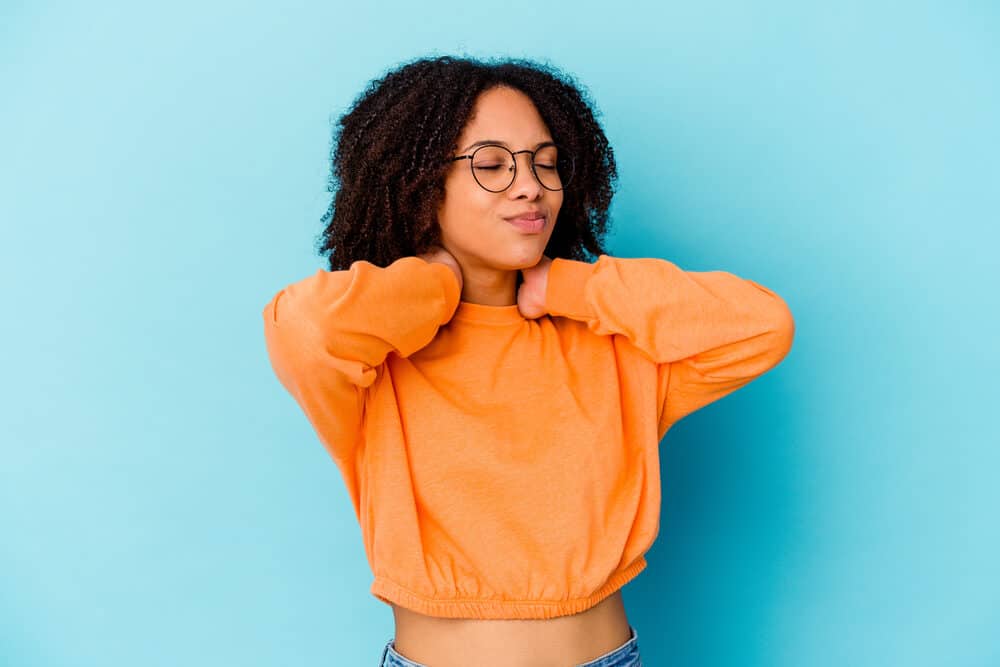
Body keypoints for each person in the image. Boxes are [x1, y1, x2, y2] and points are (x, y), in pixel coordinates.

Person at [261, 55, 795, 667]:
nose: (530, 185)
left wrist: (571, 288)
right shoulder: (376, 362)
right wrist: (435, 285)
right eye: (490, 164)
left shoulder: (613, 342)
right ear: (414, 183)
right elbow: (305, 325)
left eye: (545, 162)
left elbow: (762, 326)